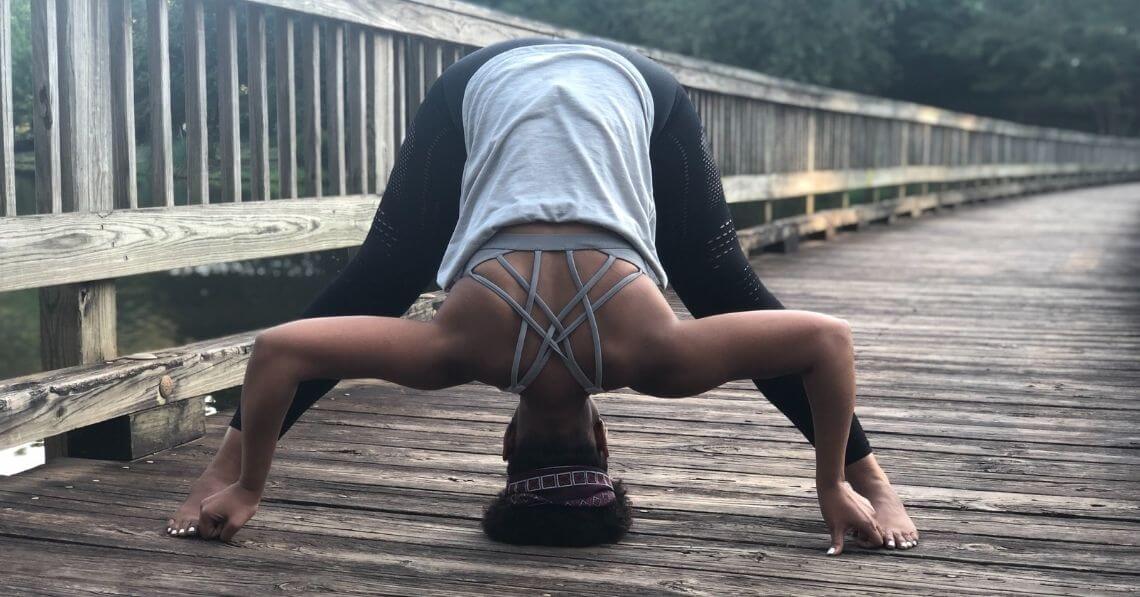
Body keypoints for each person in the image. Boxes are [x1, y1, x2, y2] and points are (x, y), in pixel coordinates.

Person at [166, 36, 919, 554]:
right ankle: (871, 483)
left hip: (634, 84)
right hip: (482, 81)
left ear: (601, 440)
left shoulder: (654, 357)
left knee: (723, 290)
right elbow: (281, 352)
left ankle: (871, 483)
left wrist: (827, 484)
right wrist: (246, 483)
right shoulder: (457, 350)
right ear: (506, 445)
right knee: (386, 275)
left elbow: (826, 342)